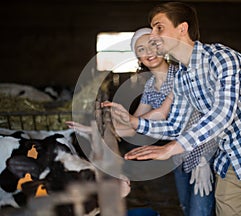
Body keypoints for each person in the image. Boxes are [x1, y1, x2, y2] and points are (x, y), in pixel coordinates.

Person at [103, 2, 241, 216]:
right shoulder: (182, 78)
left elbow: (222, 115)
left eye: (159, 28)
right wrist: (134, 122)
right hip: (228, 164)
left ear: (182, 29)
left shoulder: (222, 59)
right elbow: (176, 125)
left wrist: (172, 148)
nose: (153, 36)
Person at [69, 27, 217, 216]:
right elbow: (135, 126)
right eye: (141, 49)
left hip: (202, 151)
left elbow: (165, 115)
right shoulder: (149, 85)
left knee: (200, 211)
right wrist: (95, 130)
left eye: (152, 45)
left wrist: (204, 159)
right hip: (178, 155)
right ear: (138, 58)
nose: (148, 52)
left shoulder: (182, 75)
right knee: (187, 208)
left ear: (162, 48)